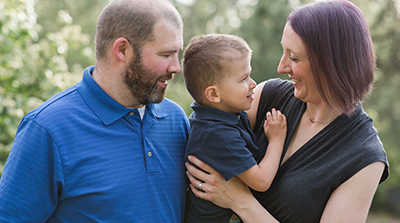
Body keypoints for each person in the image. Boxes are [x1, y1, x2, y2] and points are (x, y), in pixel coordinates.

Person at [185, 1, 389, 222]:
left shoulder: (364, 156)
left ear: (332, 63)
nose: (281, 67)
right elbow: (205, 138)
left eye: (293, 57)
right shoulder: (269, 96)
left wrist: (240, 202)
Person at [0, 0, 189, 222]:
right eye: (166, 55)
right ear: (122, 50)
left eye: (177, 54)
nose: (176, 67)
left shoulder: (176, 120)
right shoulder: (48, 129)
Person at [182, 34, 287, 223]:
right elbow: (261, 181)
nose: (253, 84)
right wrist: (276, 140)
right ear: (214, 94)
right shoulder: (217, 134)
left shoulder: (223, 115)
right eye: (244, 79)